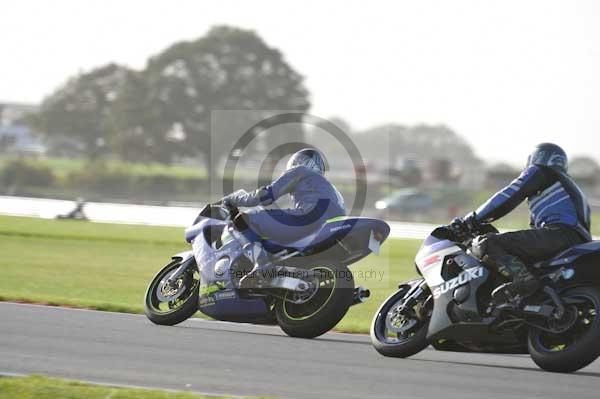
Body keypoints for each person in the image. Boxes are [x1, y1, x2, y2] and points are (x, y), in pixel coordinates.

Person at [459, 143, 591, 302]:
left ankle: (523, 281)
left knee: (487, 243)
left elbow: (508, 196)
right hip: (577, 242)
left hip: (558, 235)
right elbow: (534, 229)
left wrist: (471, 219)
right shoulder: (568, 188)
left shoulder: (542, 172)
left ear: (537, 158)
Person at [221, 148, 346, 289]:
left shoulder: (299, 171)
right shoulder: (330, 187)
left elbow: (264, 196)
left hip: (308, 218)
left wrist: (233, 199)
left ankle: (261, 264)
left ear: (300, 161)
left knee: (243, 219)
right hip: (330, 227)